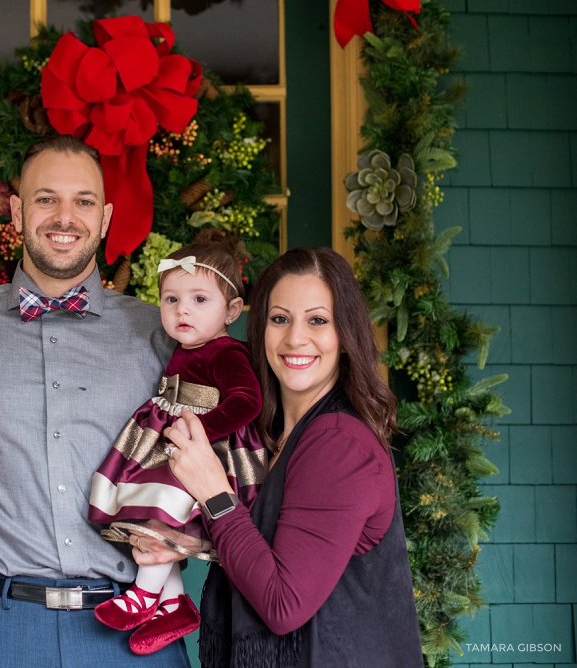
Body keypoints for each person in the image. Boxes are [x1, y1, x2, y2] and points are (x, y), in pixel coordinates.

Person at [0, 135, 190, 667]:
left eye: (84, 201)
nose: (65, 217)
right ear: (17, 211)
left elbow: (215, 455)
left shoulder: (157, 334)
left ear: (106, 217)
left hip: (131, 633)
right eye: (46, 199)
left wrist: (187, 535)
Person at [139, 247, 423, 667]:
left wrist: (214, 492)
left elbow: (283, 604)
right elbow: (259, 546)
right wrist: (181, 541)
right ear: (259, 326)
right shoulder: (266, 438)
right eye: (280, 319)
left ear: (345, 335)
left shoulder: (339, 443)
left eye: (317, 320)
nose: (295, 338)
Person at [87, 241, 265, 655]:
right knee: (149, 513)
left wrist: (199, 431)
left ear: (231, 311)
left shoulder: (227, 352)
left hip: (203, 450)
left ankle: (142, 595)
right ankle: (172, 603)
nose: (182, 310)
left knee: (163, 517)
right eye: (171, 299)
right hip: (170, 441)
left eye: (199, 299)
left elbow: (247, 401)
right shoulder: (185, 350)